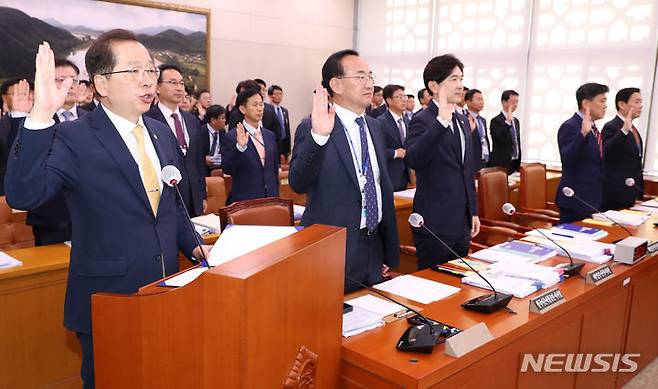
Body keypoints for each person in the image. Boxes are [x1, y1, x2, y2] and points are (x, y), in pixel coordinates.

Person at [5, 30, 210, 388]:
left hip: (165, 292)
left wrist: (193, 244)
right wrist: (39, 115)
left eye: (150, 71)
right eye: (133, 72)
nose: (147, 81)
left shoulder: (160, 134)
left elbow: (168, 207)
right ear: (101, 83)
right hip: (109, 300)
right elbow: (24, 194)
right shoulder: (74, 137)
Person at [289, 49, 399, 292]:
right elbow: (298, 182)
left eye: (370, 76)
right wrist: (319, 137)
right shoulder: (314, 126)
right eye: (360, 77)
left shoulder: (374, 126)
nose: (369, 83)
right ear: (336, 84)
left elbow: (380, 184)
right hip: (333, 247)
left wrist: (387, 250)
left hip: (372, 242)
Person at [405, 54, 479, 269]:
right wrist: (440, 123)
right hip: (434, 222)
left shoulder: (462, 119)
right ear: (434, 86)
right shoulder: (422, 119)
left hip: (461, 221)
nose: (460, 85)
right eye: (453, 79)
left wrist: (472, 212)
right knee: (434, 287)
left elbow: (467, 170)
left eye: (461, 79)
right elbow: (414, 159)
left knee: (458, 285)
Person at [144, 64, 207, 216]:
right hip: (165, 199)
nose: (179, 88)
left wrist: (202, 196)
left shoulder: (192, 121)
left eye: (181, 83)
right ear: (157, 88)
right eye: (172, 83)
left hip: (194, 199)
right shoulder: (147, 120)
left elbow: (198, 162)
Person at [556, 83, 609, 223]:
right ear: (586, 103)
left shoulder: (593, 127)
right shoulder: (570, 126)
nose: (605, 106)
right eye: (602, 101)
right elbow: (567, 159)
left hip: (593, 199)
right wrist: (583, 134)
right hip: (576, 200)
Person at [220, 88, 279, 204]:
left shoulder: (270, 136)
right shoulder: (232, 137)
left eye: (261, 104)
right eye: (255, 105)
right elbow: (228, 168)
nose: (260, 109)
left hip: (271, 200)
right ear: (243, 109)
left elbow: (274, 170)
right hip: (245, 201)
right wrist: (240, 147)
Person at [601, 87, 644, 211]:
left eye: (641, 102)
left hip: (632, 193)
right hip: (615, 195)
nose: (640, 106)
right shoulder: (611, 127)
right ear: (622, 104)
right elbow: (607, 151)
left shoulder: (633, 129)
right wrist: (623, 131)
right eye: (636, 102)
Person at [378, 84, 410, 191]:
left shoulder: (407, 121)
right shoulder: (380, 122)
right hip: (391, 175)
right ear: (389, 100)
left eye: (404, 96)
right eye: (399, 97)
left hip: (408, 176)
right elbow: (377, 150)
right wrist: (395, 153)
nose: (404, 100)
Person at [490, 90, 521, 173]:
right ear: (504, 102)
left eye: (517, 102)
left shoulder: (516, 121)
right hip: (501, 163)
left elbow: (516, 142)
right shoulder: (496, 120)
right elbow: (499, 137)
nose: (515, 104)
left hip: (514, 162)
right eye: (513, 102)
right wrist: (507, 122)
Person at [465, 88, 490, 172]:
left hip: (484, 160)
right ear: (468, 102)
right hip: (472, 161)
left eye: (482, 99)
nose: (481, 102)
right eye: (478, 99)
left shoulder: (482, 120)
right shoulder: (464, 119)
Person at [201, 104, 226, 175]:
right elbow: (195, 154)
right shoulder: (201, 132)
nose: (225, 120)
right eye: (222, 118)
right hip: (205, 167)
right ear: (213, 120)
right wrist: (204, 159)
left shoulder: (222, 132)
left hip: (219, 167)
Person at [268, 84, 291, 159]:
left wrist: (288, 148)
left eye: (280, 94)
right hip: (273, 143)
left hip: (284, 144)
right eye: (276, 94)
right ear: (270, 96)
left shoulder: (284, 111)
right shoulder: (267, 110)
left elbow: (287, 129)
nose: (279, 96)